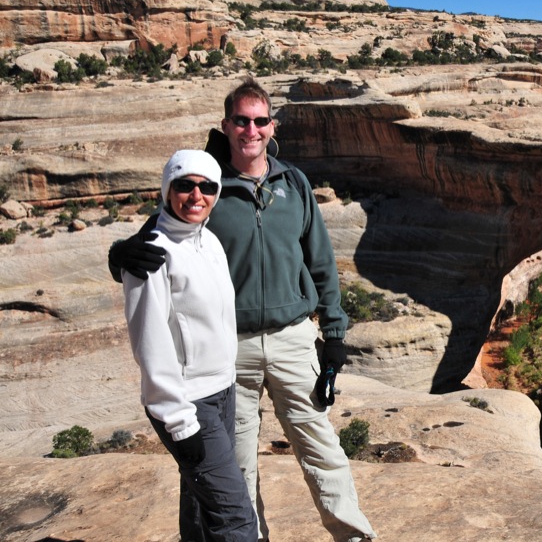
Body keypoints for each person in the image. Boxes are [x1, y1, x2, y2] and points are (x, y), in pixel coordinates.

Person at [111, 78, 375, 542]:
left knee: (322, 449)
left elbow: (321, 261)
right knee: (237, 465)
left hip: (294, 339)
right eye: (241, 121)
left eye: (259, 121)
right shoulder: (209, 186)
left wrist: (333, 335)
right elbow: (161, 232)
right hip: (229, 351)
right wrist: (121, 253)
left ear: (271, 126)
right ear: (226, 125)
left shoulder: (293, 182)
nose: (250, 130)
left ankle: (354, 536)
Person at [122, 149, 257, 542]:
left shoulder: (209, 241)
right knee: (236, 519)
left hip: (221, 391)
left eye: (207, 187)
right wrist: (179, 422)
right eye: (185, 185)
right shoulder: (150, 254)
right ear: (167, 190)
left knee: (201, 507)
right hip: (188, 402)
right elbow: (151, 344)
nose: (196, 195)